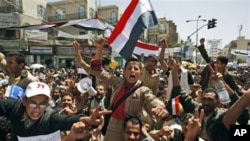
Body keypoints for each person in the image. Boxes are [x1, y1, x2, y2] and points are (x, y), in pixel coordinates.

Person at [74, 38, 169, 141]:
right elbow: (98, 71)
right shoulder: (117, 82)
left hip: (132, 128)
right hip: (114, 127)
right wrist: (99, 49)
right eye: (129, 68)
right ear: (124, 72)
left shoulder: (143, 90)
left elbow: (152, 99)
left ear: (140, 73)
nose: (132, 71)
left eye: (136, 69)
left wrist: (160, 107)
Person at [167, 56, 248, 141]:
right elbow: (179, 92)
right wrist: (173, 71)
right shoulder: (197, 109)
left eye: (210, 100)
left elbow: (241, 110)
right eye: (204, 99)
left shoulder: (221, 115)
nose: (206, 102)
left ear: (217, 101)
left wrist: (222, 84)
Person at [0, 81, 111, 141]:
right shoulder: (15, 108)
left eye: (42, 104)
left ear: (48, 103)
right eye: (32, 103)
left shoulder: (50, 117)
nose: (37, 108)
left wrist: (87, 119)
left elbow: (68, 120)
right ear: (24, 101)